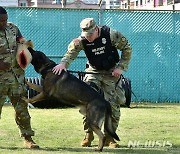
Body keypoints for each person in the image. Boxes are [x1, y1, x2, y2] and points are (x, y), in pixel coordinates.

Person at [52, 18, 132, 148]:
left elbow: (127, 47)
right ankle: (89, 134)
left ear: (96, 29)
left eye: (90, 35)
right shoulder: (81, 40)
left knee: (113, 105)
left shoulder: (111, 34)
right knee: (87, 103)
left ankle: (109, 137)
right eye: (86, 35)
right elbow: (71, 53)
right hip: (93, 72)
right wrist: (63, 64)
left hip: (111, 72)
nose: (88, 38)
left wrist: (121, 67)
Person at [0, 6, 39, 149]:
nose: (4, 23)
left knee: (22, 109)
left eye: (6, 20)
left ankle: (28, 138)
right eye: (1, 21)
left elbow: (22, 42)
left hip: (17, 78)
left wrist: (26, 48)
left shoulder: (13, 28)